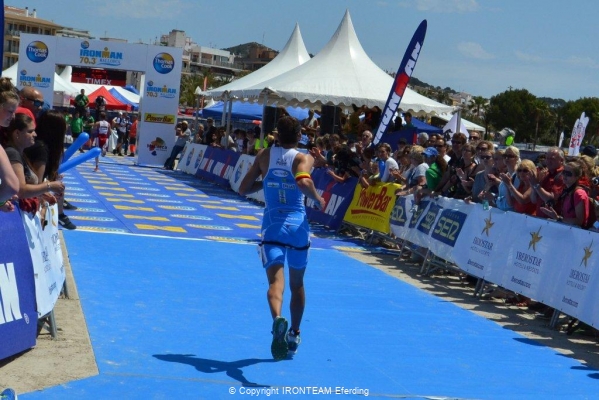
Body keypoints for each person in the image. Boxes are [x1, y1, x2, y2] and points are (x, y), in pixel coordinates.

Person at [238, 116, 325, 361]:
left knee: (275, 283)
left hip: (272, 225)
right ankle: (294, 334)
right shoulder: (302, 158)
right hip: (297, 227)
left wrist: (267, 183)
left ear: (277, 135)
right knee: (297, 284)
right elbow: (303, 181)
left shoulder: (264, 155)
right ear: (299, 136)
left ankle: (277, 319)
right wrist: (318, 199)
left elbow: (243, 188)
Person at [1, 113, 65, 214]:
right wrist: (50, 186)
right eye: (30, 131)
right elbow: (21, 190)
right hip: (16, 213)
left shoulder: (20, 153)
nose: (35, 134)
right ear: (17, 133)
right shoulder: (13, 153)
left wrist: (42, 193)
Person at [25, 110, 75, 229]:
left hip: (29, 196)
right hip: (27, 202)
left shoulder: (41, 146)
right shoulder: (41, 149)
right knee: (58, 187)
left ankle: (61, 214)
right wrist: (49, 189)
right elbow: (36, 182)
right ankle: (60, 215)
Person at [541, 161, 591, 228]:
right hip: (567, 228)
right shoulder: (566, 191)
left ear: (577, 177)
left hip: (576, 231)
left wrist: (558, 218)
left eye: (568, 174)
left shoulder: (579, 193)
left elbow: (579, 221)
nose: (564, 176)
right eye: (563, 172)